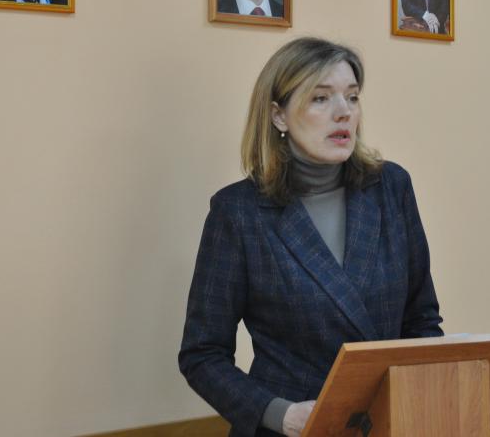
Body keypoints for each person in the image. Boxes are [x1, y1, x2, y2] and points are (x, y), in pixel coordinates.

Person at [179, 37, 443, 437]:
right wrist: (279, 413)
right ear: (278, 116)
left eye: (352, 97)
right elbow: (202, 355)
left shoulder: (391, 187)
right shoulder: (238, 212)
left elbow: (422, 320)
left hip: (389, 424)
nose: (344, 113)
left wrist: (421, 399)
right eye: (321, 98)